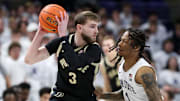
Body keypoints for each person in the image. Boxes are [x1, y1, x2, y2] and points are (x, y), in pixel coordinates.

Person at [25, 10, 101, 101]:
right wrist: (40, 33)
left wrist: (62, 37)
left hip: (84, 98)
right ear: (79, 28)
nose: (97, 31)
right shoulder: (62, 42)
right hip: (61, 96)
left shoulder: (94, 49)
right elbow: (29, 60)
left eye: (97, 27)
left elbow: (74, 64)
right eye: (92, 27)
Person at [95, 28, 163, 101]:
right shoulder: (123, 65)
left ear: (136, 47)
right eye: (120, 40)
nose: (119, 44)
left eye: (124, 42)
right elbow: (126, 93)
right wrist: (102, 95)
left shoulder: (143, 71)